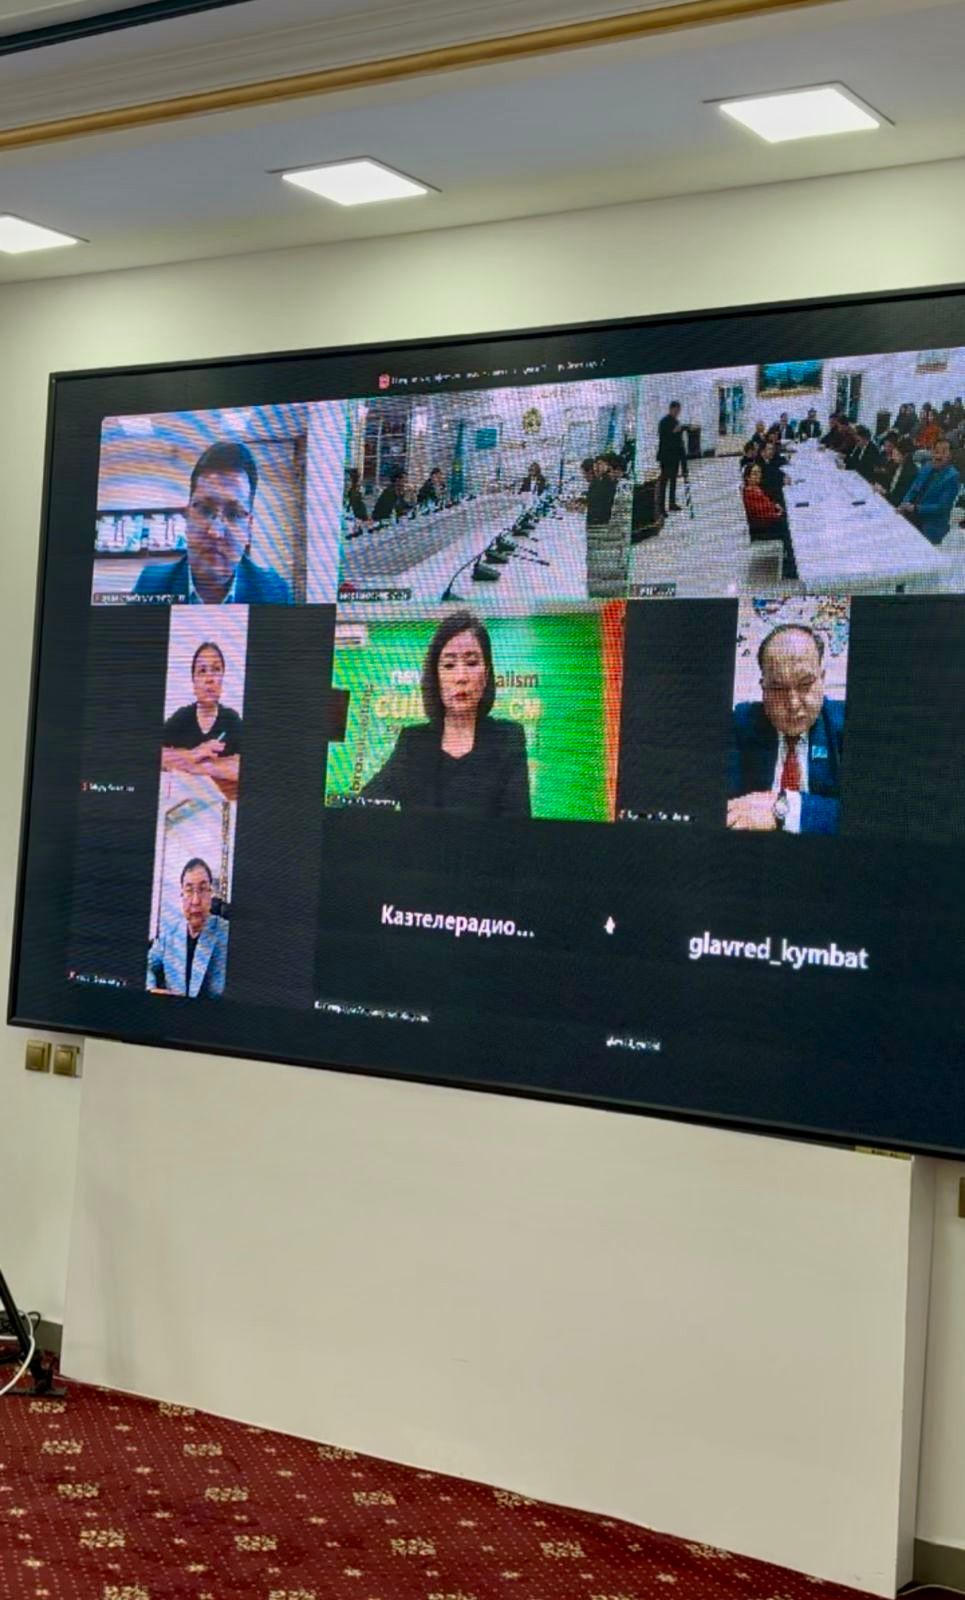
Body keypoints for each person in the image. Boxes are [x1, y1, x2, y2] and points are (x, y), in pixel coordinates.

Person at [361, 611, 530, 817]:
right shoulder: (413, 742)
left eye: (471, 663)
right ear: (436, 677)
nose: (461, 677)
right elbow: (366, 803)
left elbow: (518, 825)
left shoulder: (508, 738)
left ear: (486, 675)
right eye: (449, 665)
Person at [133, 441, 292, 605]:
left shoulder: (274, 594)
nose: (215, 532)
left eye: (233, 514)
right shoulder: (150, 586)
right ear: (187, 517)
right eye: (205, 510)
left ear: (248, 528)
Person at [727, 624, 845, 836]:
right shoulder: (741, 724)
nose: (793, 704)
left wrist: (785, 809)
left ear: (822, 679)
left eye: (805, 684)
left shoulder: (843, 724)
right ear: (763, 688)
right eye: (777, 688)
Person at [162, 641, 241, 803]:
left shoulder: (232, 719)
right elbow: (159, 754)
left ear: (222, 679)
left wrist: (200, 766)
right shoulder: (181, 718)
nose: (209, 679)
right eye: (202, 671)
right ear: (194, 682)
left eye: (216, 670)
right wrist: (194, 754)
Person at [146, 857, 229, 998]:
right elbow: (147, 965)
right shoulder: (168, 934)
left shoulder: (226, 933)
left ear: (211, 894)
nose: (196, 901)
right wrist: (151, 989)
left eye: (202, 889)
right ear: (182, 895)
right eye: (189, 890)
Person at [898, 437, 963, 544]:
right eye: (936, 451)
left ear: (950, 456)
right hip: (912, 514)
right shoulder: (927, 466)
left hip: (930, 525)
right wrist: (904, 503)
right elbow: (913, 489)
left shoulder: (953, 477)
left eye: (943, 452)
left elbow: (942, 507)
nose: (938, 456)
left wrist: (916, 508)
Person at [742, 463, 797, 579]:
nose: (758, 476)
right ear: (747, 477)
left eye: (759, 473)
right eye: (754, 474)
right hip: (761, 528)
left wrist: (775, 508)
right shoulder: (749, 493)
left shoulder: (757, 489)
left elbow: (767, 505)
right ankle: (790, 569)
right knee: (787, 531)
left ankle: (790, 565)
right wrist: (777, 514)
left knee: (788, 525)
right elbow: (761, 514)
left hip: (768, 521)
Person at [657, 401, 687, 514]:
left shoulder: (676, 422)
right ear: (671, 409)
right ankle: (661, 507)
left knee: (673, 480)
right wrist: (673, 432)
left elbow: (679, 441)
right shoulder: (664, 422)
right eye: (676, 410)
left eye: (678, 411)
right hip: (666, 456)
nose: (677, 413)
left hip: (675, 456)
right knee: (664, 481)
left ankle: (672, 503)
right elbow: (664, 437)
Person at [875, 436, 918, 507]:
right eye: (893, 454)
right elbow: (887, 481)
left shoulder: (910, 472)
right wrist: (879, 486)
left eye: (896, 455)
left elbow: (899, 499)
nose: (893, 457)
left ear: (905, 455)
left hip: (895, 505)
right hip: (886, 499)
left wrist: (884, 492)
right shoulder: (896, 464)